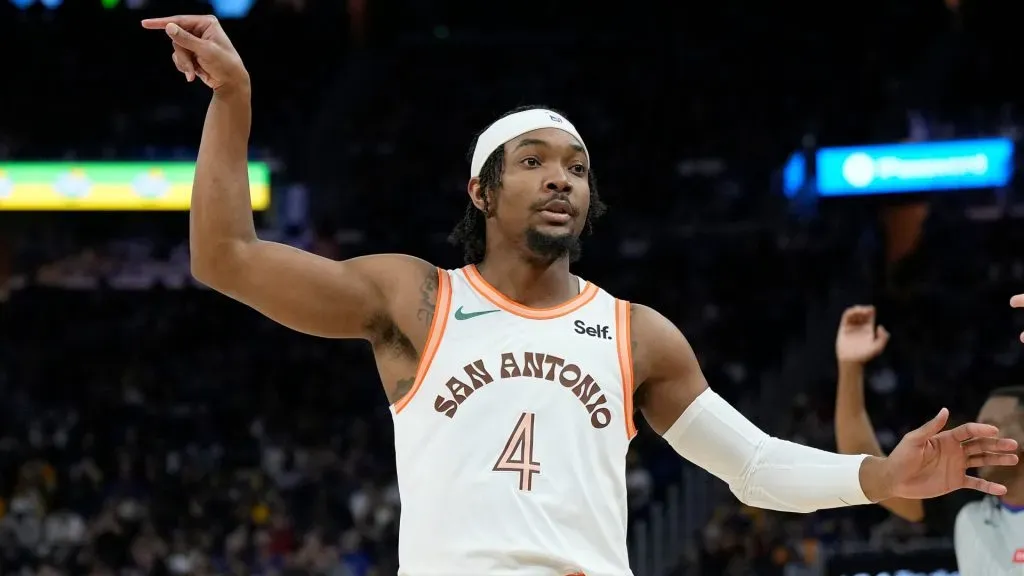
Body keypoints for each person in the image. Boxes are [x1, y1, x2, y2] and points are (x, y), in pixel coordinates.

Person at [143, 15, 1019, 576]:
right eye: (533, 162)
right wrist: (234, 99)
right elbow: (224, 257)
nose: (560, 178)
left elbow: (752, 466)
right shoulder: (414, 299)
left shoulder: (636, 335)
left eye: (576, 167)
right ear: (481, 193)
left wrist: (880, 475)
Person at [834, 305, 1024, 576]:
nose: (980, 434)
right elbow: (862, 459)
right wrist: (850, 366)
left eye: (994, 426)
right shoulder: (964, 507)